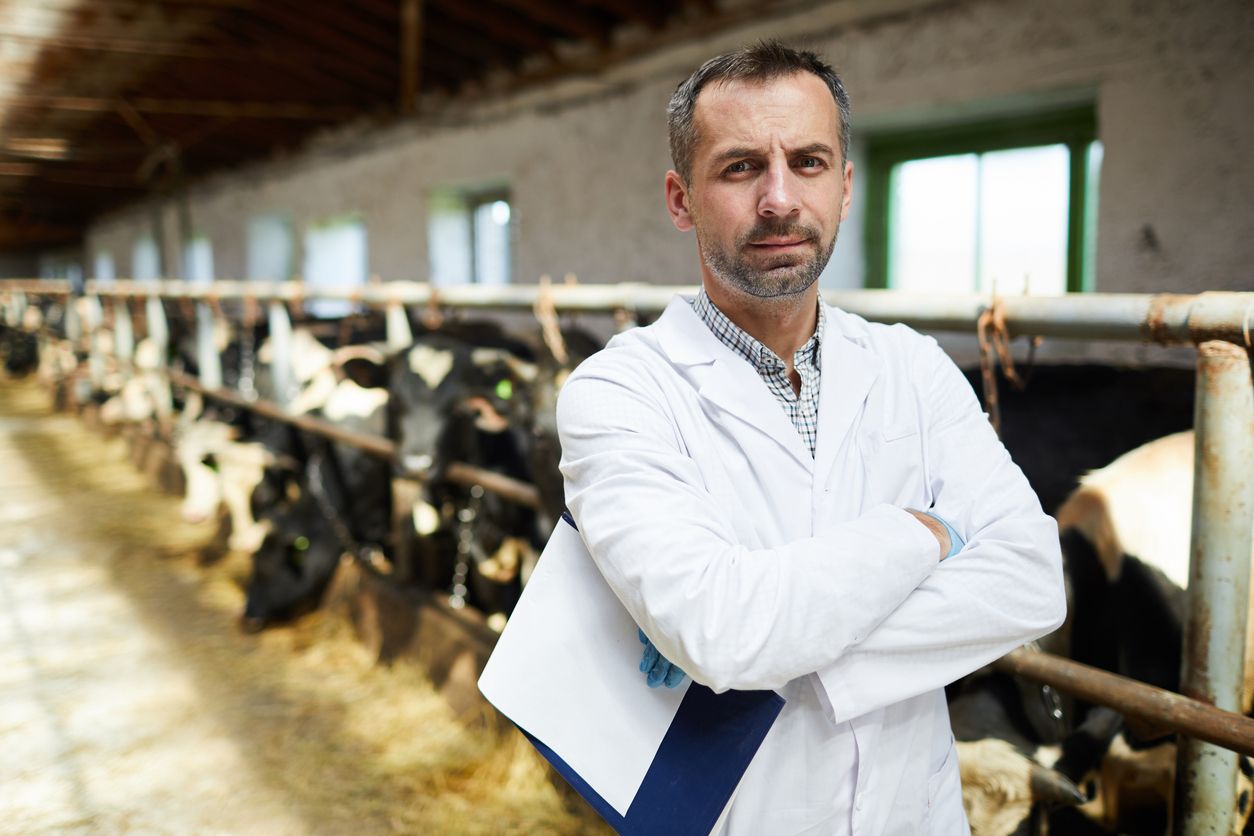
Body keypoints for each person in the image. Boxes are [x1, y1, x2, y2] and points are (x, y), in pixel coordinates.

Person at [556, 41, 1066, 834]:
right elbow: (720, 631)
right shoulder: (621, 392)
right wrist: (923, 532)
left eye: (809, 161)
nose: (779, 198)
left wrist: (781, 649)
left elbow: (1032, 580)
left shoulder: (912, 367)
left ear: (847, 185)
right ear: (680, 198)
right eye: (739, 167)